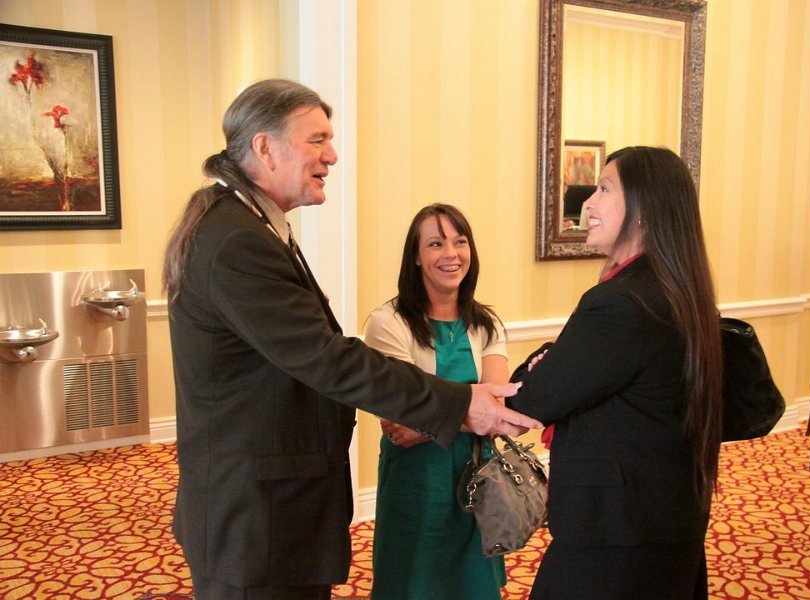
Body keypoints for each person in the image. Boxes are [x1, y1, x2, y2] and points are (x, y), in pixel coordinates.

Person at [161, 79, 540, 600]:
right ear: (265, 147)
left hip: (274, 505)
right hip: (255, 514)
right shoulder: (237, 240)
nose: (332, 156)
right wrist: (459, 403)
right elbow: (325, 358)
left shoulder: (251, 226)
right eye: (317, 140)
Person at [507, 146, 723, 599]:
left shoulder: (622, 301)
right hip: (664, 513)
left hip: (617, 532)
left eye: (604, 189)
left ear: (644, 209)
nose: (588, 202)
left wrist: (545, 363)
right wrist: (557, 359)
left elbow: (535, 397)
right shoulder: (675, 287)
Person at [365, 204, 509, 599]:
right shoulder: (388, 323)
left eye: (460, 242)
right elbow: (399, 423)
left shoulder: (487, 324)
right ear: (415, 256)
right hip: (416, 479)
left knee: (473, 586)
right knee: (412, 583)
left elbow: (496, 410)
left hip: (477, 476)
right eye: (435, 244)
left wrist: (432, 420)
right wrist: (475, 410)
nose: (451, 254)